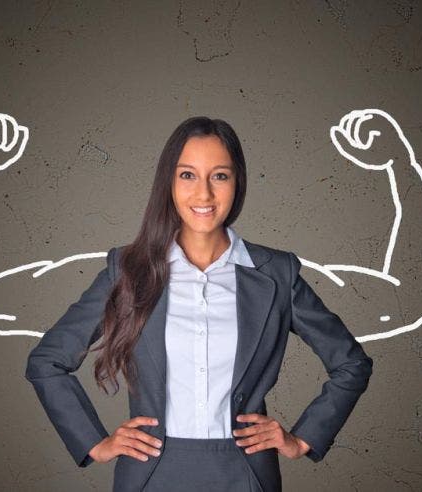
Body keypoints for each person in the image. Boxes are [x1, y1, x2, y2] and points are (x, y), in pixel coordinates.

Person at [25, 116, 374, 492]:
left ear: (237, 182)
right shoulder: (127, 270)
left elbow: (351, 363)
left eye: (220, 176)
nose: (204, 194)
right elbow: (47, 361)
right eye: (188, 175)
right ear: (168, 184)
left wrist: (302, 438)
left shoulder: (276, 274)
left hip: (246, 474)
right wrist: (95, 442)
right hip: (149, 474)